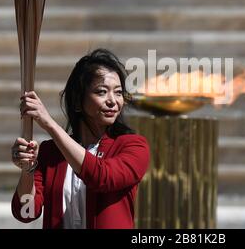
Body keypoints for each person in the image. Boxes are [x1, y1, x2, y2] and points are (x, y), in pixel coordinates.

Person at [10, 48, 150, 229]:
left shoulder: (134, 146)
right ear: (77, 100)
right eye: (101, 92)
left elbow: (101, 177)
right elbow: (26, 213)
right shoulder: (50, 152)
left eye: (118, 92)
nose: (113, 101)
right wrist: (28, 169)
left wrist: (50, 125)